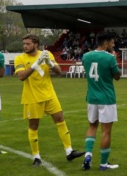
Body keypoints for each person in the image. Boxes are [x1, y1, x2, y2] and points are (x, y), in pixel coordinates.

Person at [14, 34, 84, 166]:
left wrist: (49, 62)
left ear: (36, 44)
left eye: (28, 44)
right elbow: (21, 76)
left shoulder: (47, 54)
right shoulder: (20, 58)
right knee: (34, 125)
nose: (25, 46)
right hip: (32, 97)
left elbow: (58, 72)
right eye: (24, 44)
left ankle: (69, 151)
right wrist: (36, 64)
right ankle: (36, 157)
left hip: (49, 94)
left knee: (60, 120)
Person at [81, 31, 122, 171]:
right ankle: (103, 164)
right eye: (111, 42)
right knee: (106, 132)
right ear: (105, 43)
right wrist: (114, 60)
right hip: (106, 98)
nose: (113, 44)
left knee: (92, 126)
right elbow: (117, 76)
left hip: (92, 97)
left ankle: (88, 155)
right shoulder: (110, 58)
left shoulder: (86, 56)